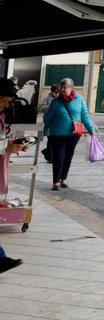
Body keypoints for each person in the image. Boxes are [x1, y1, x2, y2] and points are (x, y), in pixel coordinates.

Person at [43, 78, 96, 190]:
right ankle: (56, 181)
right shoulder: (56, 101)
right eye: (60, 87)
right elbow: (48, 118)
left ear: (71, 88)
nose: (62, 90)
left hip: (74, 134)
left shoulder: (80, 99)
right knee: (59, 157)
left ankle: (64, 179)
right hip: (57, 134)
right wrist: (44, 132)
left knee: (68, 156)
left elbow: (84, 116)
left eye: (64, 87)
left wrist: (91, 129)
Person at [0, 79, 30, 274]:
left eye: (7, 101)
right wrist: (7, 147)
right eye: (2, 99)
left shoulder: (2, 118)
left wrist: (13, 145)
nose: (5, 104)